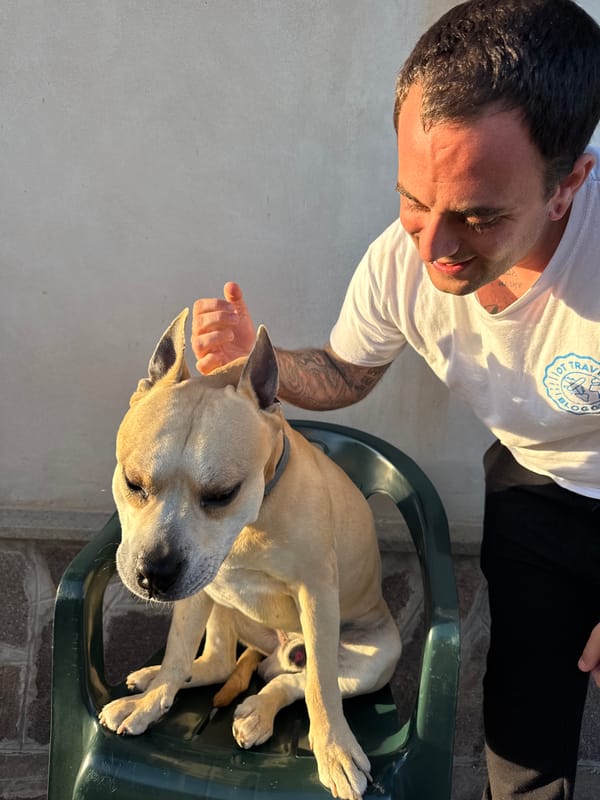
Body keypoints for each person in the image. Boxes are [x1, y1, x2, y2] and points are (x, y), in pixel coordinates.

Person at [191, 1, 600, 798]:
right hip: (536, 487)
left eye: (478, 216)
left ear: (568, 185)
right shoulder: (399, 262)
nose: (433, 248)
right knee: (524, 744)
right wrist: (255, 363)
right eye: (415, 200)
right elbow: (346, 373)